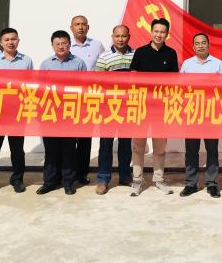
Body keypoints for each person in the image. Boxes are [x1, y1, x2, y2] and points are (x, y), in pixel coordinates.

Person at [0, 27, 33, 195]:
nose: (10, 42)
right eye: (7, 39)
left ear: (18, 41)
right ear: (0, 42)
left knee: (17, 149)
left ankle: (17, 179)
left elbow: (31, 85)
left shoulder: (27, 61)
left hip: (18, 112)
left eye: (13, 39)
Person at [129, 18, 178, 197]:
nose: (159, 35)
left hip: (161, 108)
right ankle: (137, 180)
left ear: (167, 34)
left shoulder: (171, 54)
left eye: (162, 32)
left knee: (160, 147)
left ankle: (159, 179)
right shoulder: (140, 52)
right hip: (141, 106)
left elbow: (174, 81)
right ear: (151, 32)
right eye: (156, 31)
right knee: (138, 146)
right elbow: (133, 77)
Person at [37, 30, 87, 195]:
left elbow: (84, 88)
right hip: (50, 113)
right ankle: (50, 181)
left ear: (69, 44)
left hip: (70, 113)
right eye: (57, 44)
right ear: (52, 46)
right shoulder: (46, 64)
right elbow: (40, 89)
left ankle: (68, 182)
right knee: (51, 149)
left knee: (69, 149)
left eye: (64, 43)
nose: (61, 46)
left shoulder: (78, 63)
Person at [179, 33, 222, 198]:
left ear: (208, 45)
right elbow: (181, 88)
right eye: (197, 43)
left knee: (212, 150)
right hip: (192, 112)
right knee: (191, 150)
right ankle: (191, 183)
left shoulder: (218, 64)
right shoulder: (187, 64)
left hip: (211, 112)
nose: (201, 46)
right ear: (193, 46)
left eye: (203, 42)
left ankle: (212, 183)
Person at [94, 25, 134, 194]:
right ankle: (103, 179)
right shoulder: (104, 57)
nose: (120, 39)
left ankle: (125, 176)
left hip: (128, 107)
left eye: (123, 36)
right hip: (108, 107)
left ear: (129, 37)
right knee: (105, 145)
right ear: (112, 37)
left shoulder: (136, 54)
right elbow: (98, 82)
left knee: (126, 144)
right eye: (117, 36)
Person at [69, 15, 105, 185]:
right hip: (69, 98)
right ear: (71, 28)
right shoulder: (65, 44)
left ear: (88, 27)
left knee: (85, 139)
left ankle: (81, 173)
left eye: (83, 24)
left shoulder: (97, 45)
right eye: (77, 24)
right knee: (69, 138)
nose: (80, 27)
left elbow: (103, 67)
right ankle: (68, 172)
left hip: (90, 98)